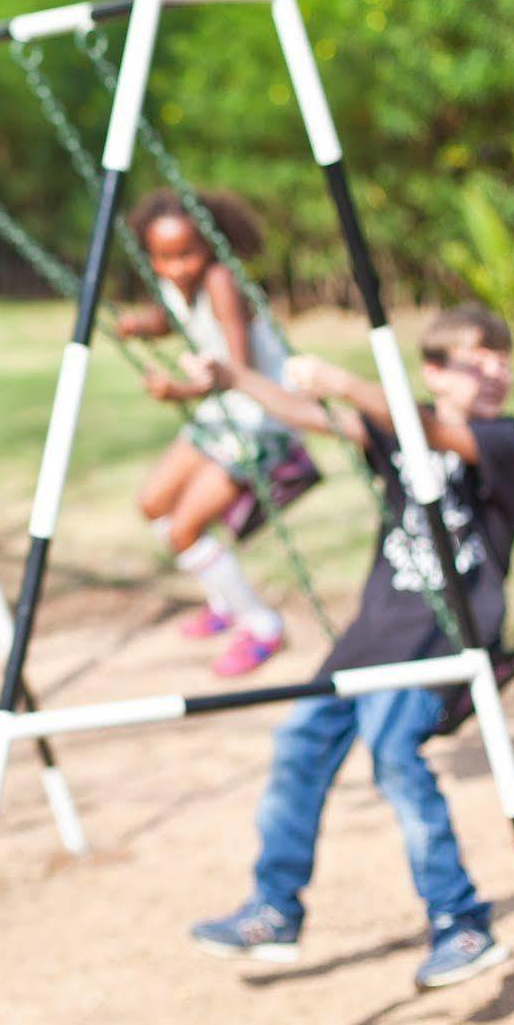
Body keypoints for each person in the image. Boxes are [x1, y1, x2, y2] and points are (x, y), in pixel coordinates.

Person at [178, 304, 514, 990]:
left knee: (394, 751)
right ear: (432, 372)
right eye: (473, 362)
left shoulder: (493, 437)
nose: (493, 374)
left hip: (442, 634)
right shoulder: (395, 428)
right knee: (298, 742)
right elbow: (302, 413)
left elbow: (426, 427)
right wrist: (231, 373)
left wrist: (340, 379)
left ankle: (460, 921)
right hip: (372, 637)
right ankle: (275, 909)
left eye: (501, 361)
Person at [116, 190, 299, 678]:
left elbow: (238, 369)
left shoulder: (221, 280)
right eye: (163, 258)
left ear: (211, 248)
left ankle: (262, 626)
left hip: (262, 414)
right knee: (153, 503)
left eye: (186, 255)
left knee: (185, 529)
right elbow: (169, 318)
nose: (176, 268)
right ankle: (224, 599)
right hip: (223, 410)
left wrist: (179, 391)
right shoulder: (179, 284)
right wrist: (139, 325)